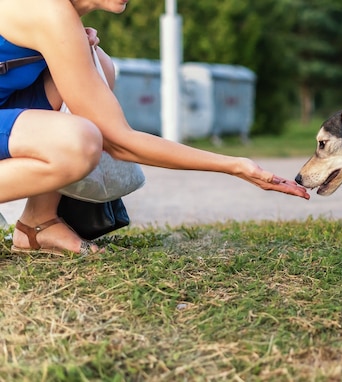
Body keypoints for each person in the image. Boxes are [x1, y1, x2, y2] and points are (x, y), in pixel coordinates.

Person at [0, 0, 309, 256]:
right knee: (79, 144)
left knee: (99, 64)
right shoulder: (48, 11)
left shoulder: (59, 18)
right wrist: (233, 166)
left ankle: (37, 224)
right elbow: (120, 142)